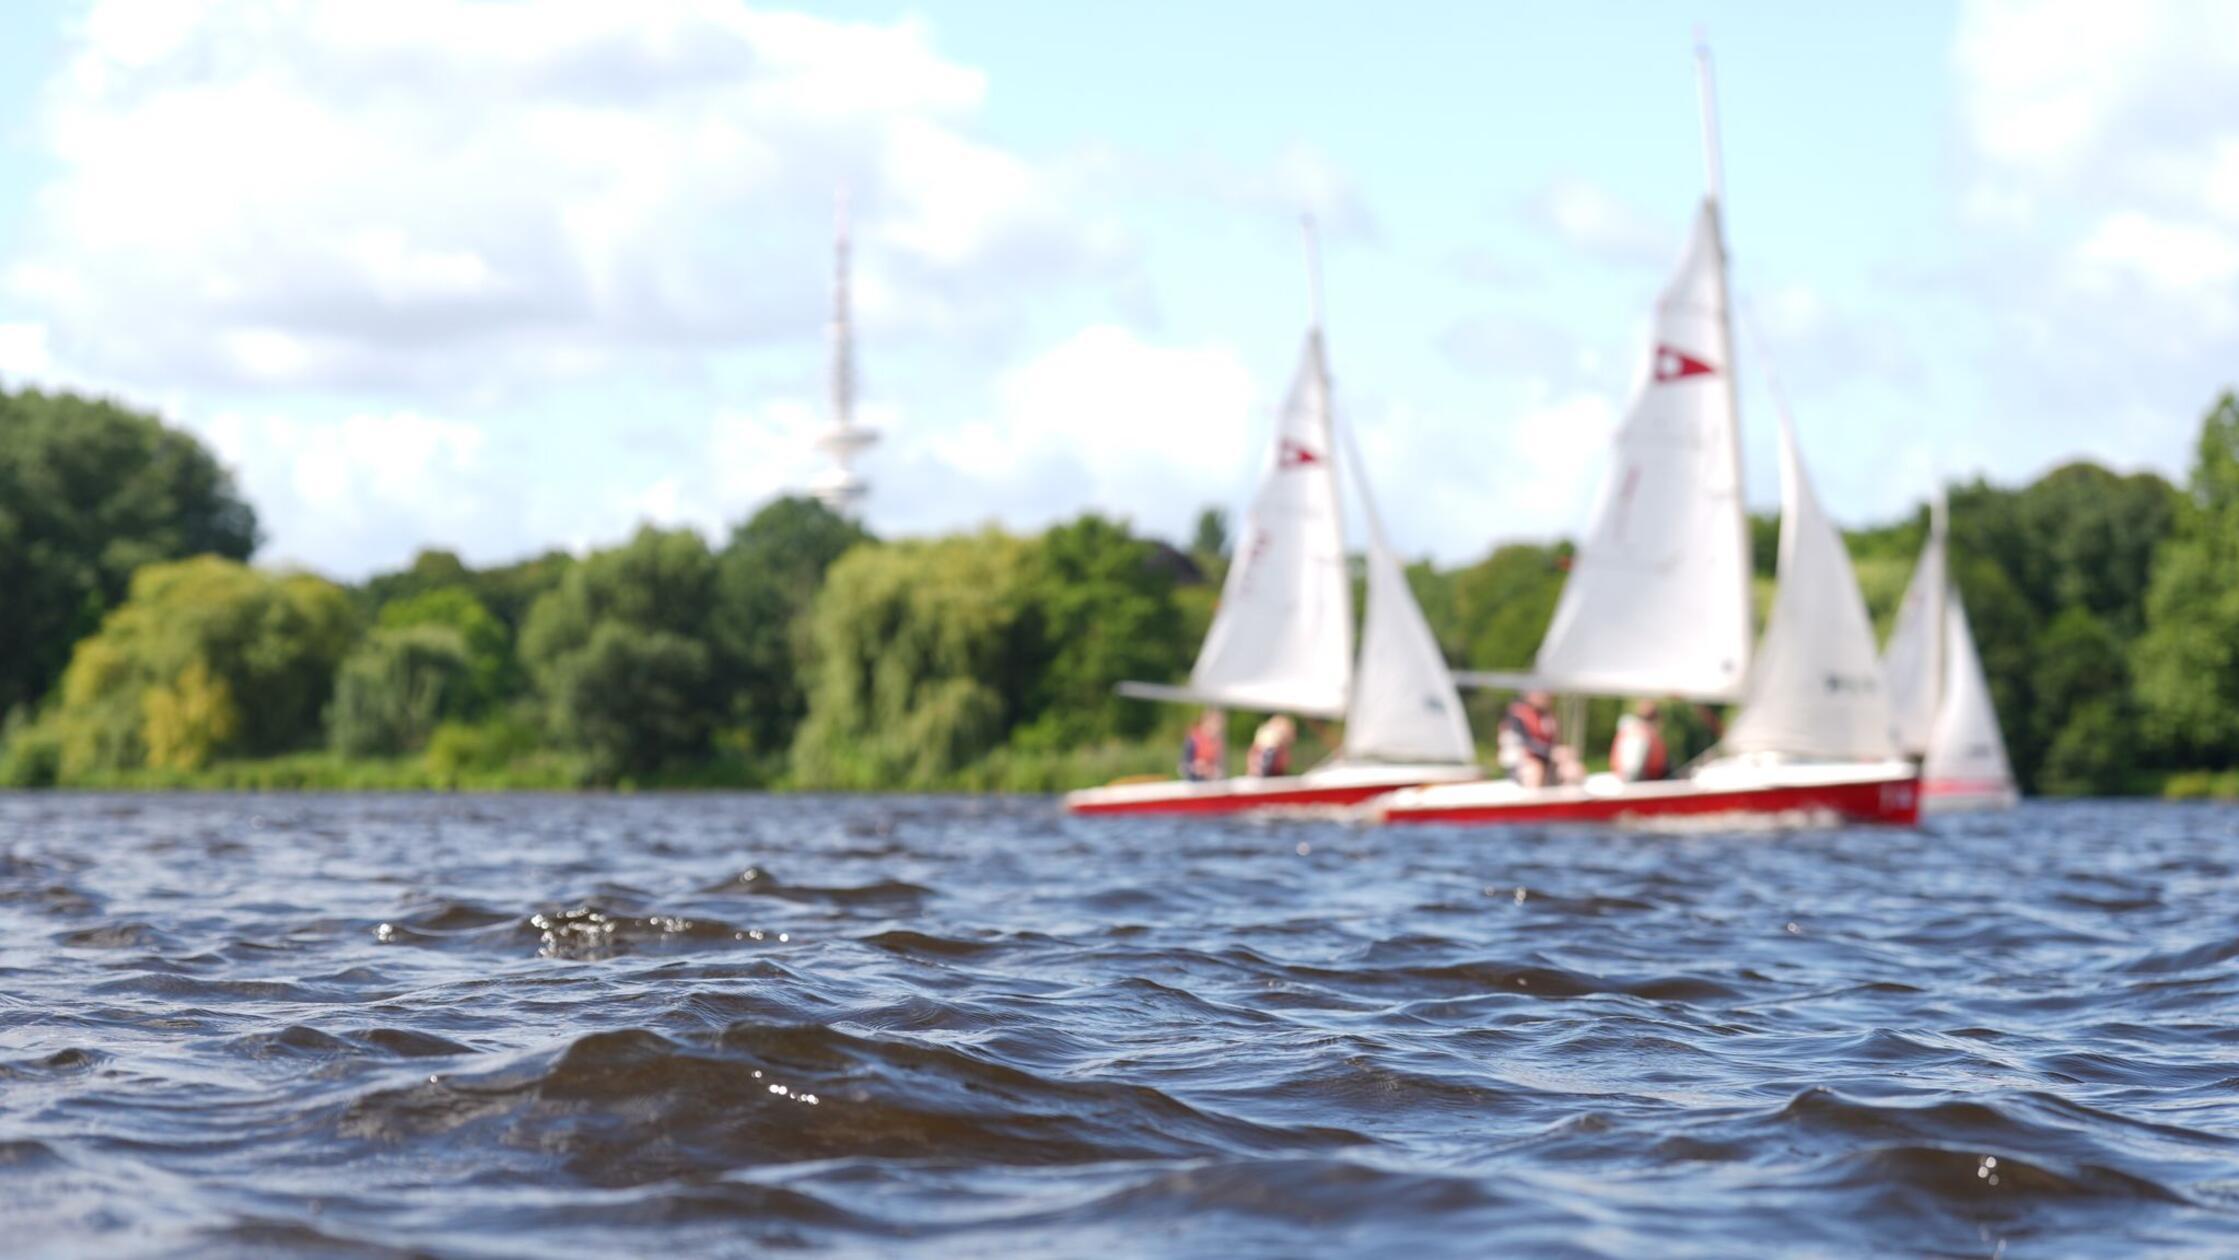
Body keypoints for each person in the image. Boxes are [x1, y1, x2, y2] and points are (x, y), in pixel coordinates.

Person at [1497, 689, 1574, 787]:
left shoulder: (1548, 716)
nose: (1547, 696)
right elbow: (1523, 742)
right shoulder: (1516, 715)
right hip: (1521, 762)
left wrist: (1562, 753)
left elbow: (1554, 742)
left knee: (1572, 770)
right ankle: (1532, 801)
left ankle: (1567, 800)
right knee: (1534, 771)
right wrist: (1551, 752)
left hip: (1546, 760)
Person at [1611, 699, 1670, 782]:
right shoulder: (1637, 735)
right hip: (1639, 787)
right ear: (1655, 720)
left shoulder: (1637, 732)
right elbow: (1631, 770)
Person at [1179, 709, 1226, 781]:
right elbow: (1182, 767)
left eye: (1219, 727)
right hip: (1193, 784)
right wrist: (1195, 768)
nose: (1217, 730)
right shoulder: (1192, 740)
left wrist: (1212, 771)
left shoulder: (1217, 743)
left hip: (1209, 786)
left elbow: (1220, 770)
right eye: (1215, 725)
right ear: (1205, 722)